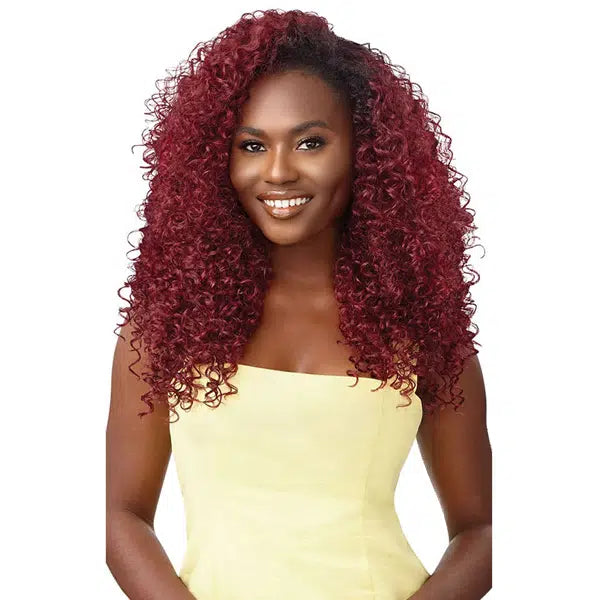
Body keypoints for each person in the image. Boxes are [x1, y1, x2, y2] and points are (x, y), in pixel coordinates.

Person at [106, 8, 492, 600]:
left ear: (366, 151)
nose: (279, 171)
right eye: (252, 145)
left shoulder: (420, 323)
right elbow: (121, 519)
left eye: (310, 142)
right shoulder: (169, 324)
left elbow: (483, 530)